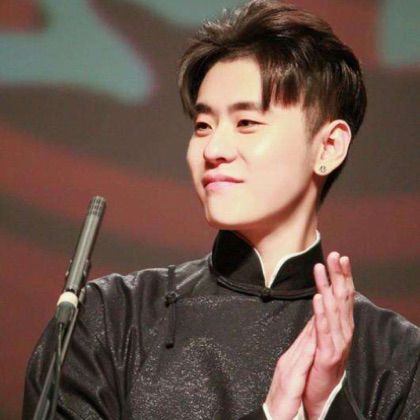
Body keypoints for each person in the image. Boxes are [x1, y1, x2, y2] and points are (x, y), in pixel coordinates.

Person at [23, 1, 419, 419]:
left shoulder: (395, 357)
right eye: (203, 126)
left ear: (329, 147)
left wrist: (329, 408)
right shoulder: (111, 318)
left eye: (246, 123)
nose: (213, 149)